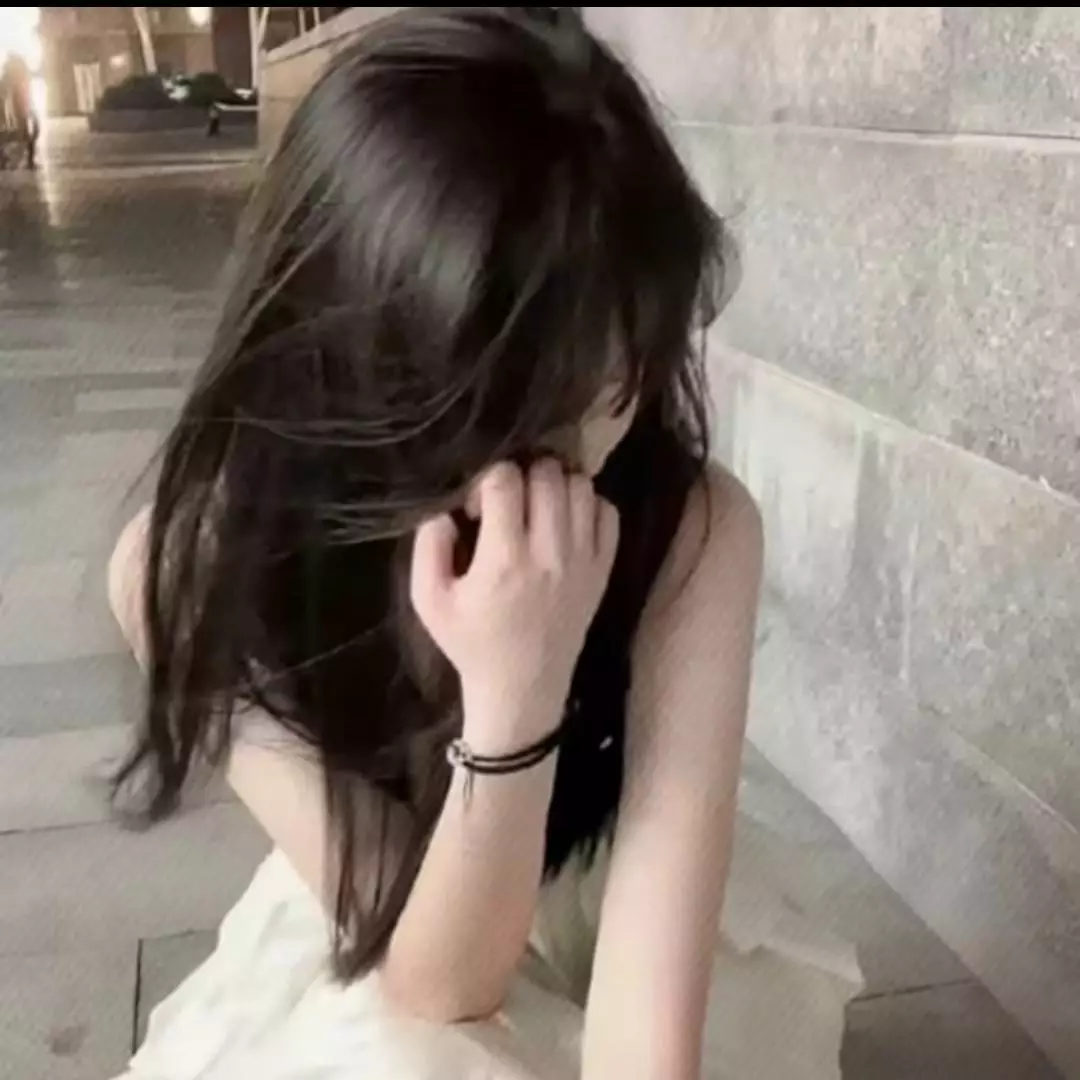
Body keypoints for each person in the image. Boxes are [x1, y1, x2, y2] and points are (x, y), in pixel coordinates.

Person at [106, 9, 862, 1079]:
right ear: (354, 364)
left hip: (617, 905)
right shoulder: (188, 570)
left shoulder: (690, 529)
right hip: (402, 929)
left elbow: (647, 1048)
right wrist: (517, 693)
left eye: (621, 381)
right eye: (524, 414)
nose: (585, 455)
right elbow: (442, 984)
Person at [1, 51, 38, 169]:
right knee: (21, 135)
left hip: (21, 111)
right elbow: (9, 97)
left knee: (26, 134)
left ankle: (28, 161)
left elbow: (23, 96)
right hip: (18, 112)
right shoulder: (11, 80)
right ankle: (27, 161)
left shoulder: (17, 79)